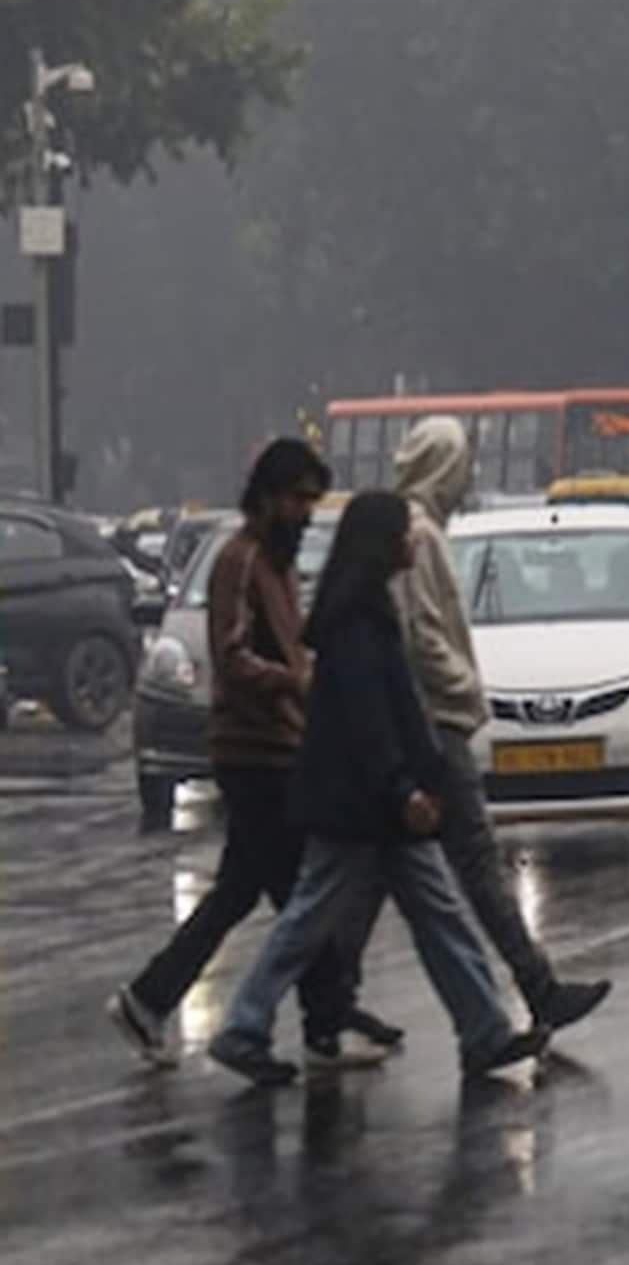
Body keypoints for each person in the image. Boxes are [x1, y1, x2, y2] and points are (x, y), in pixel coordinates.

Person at [208, 492, 549, 1087]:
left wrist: (425, 777)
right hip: (357, 806)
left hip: (374, 805)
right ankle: (242, 1027)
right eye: (403, 532)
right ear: (381, 544)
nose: (414, 541)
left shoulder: (366, 611)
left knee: (437, 914)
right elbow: (371, 722)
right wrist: (404, 790)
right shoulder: (357, 622)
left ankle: (485, 1032)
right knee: (309, 919)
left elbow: (401, 713)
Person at [107, 440, 397, 1072]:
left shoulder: (279, 564)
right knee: (304, 894)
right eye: (295, 499)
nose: (303, 512)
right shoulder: (239, 561)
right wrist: (295, 684)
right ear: (265, 497)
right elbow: (233, 657)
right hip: (253, 752)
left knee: (247, 892)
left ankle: (151, 1000)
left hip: (282, 745)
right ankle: (308, 1023)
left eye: (311, 502)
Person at [389, 418, 610, 1033]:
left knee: (375, 882)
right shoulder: (420, 535)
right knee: (476, 866)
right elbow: (422, 633)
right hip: (438, 723)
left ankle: (328, 1005)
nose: (467, 482)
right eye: (461, 468)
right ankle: (536, 990)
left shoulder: (420, 530)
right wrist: (463, 687)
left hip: (429, 721)